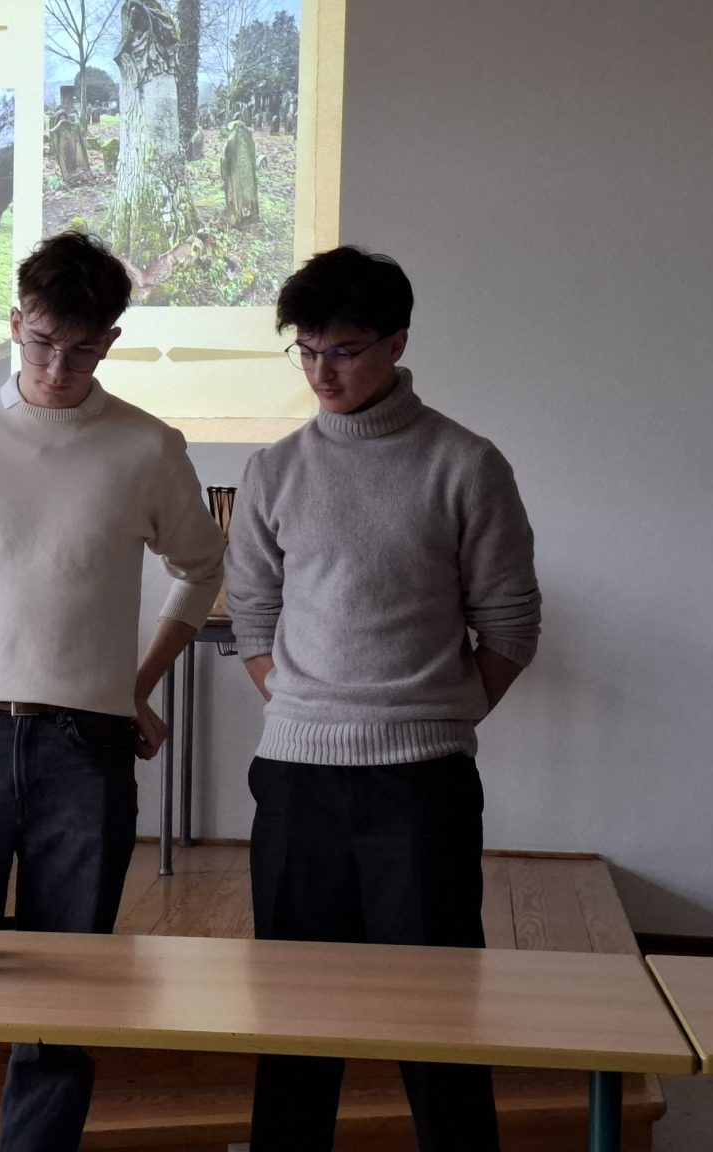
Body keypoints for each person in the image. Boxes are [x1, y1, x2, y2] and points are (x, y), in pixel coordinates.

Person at [0, 230, 226, 1152]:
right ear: (14, 322)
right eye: (41, 342)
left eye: (82, 349)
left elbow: (200, 567)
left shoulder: (148, 445)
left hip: (86, 746)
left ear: (111, 342)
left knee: (69, 989)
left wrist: (137, 683)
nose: (58, 368)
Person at [225, 246, 542, 1152]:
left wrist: (442, 714)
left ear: (397, 343)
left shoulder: (465, 463)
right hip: (296, 777)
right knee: (293, 1020)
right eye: (307, 351)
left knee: (440, 1019)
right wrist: (302, 706)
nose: (322, 372)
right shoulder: (275, 468)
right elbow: (252, 614)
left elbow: (510, 624)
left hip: (421, 781)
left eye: (345, 350)